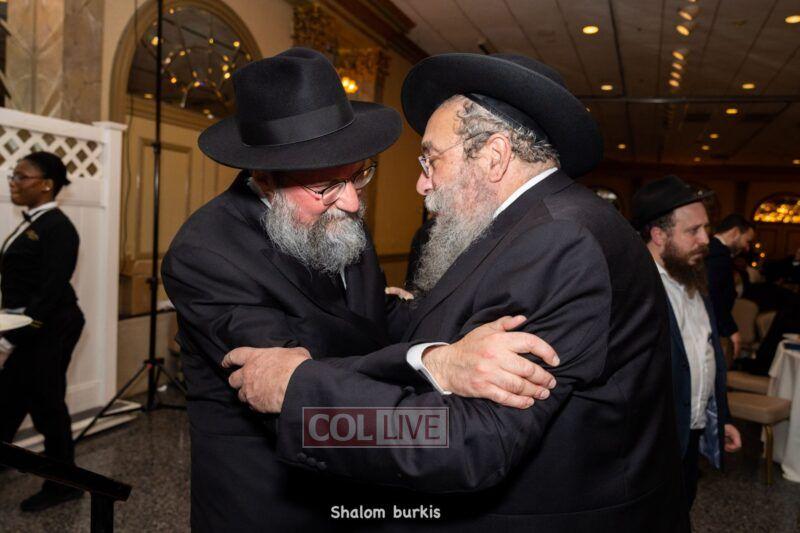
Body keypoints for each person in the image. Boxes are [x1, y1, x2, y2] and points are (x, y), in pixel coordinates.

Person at [225, 53, 688, 532]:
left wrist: (300, 394)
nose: (421, 183)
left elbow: (472, 440)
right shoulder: (536, 224)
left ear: (494, 156)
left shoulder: (557, 242)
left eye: (431, 159)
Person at [161, 48, 558, 532]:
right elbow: (294, 398)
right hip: (272, 507)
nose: (351, 202)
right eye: (328, 185)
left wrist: (439, 323)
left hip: (363, 490)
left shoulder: (333, 216)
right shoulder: (207, 254)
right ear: (264, 179)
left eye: (360, 174)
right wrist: (435, 363)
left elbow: (363, 321)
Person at [631, 175, 742, 510]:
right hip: (650, 446)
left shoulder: (693, 278)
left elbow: (705, 354)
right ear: (658, 235)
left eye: (706, 228)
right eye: (693, 230)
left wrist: (720, 417)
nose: (705, 239)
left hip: (690, 436)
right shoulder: (633, 290)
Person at [0, 151, 85, 511]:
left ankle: (64, 484)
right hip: (29, 325)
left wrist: (9, 339)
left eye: (22, 177)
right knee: (11, 397)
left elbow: (49, 293)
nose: (13, 183)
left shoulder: (59, 228)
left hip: (52, 325)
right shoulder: (34, 221)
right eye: (13, 176)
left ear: (47, 184)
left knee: (46, 403)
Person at [706, 214, 756, 364]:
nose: (747, 247)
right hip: (710, 325)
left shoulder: (717, 251)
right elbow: (714, 296)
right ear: (735, 232)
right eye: (747, 241)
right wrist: (731, 330)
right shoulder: (718, 255)